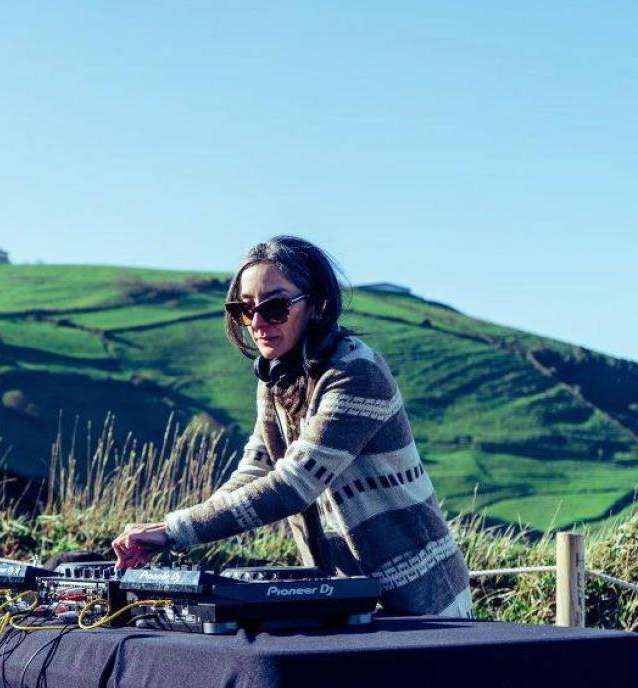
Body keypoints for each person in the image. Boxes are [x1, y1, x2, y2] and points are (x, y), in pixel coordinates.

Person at [110, 236, 473, 618]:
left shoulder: (355, 372)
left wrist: (175, 531)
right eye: (244, 310)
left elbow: (294, 484)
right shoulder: (276, 379)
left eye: (275, 307)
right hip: (346, 593)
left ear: (317, 305)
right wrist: (169, 529)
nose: (257, 323)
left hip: (421, 599)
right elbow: (254, 472)